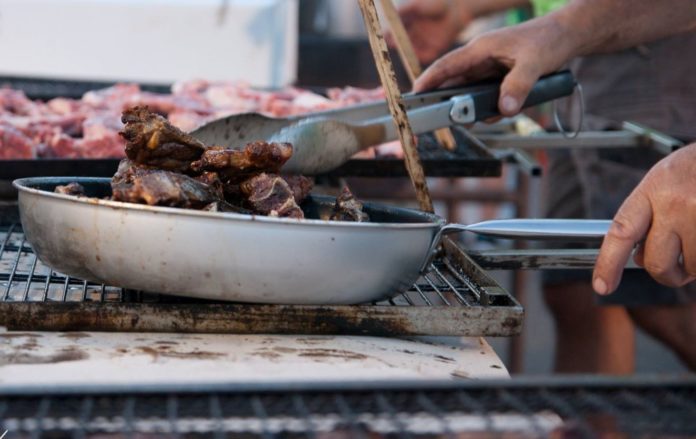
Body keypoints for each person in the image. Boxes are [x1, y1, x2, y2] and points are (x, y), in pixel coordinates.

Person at [398, 0, 696, 371]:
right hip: (583, 57)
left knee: (659, 296)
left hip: (650, 74)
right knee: (574, 290)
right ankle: (590, 428)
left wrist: (561, 30)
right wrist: (467, 10)